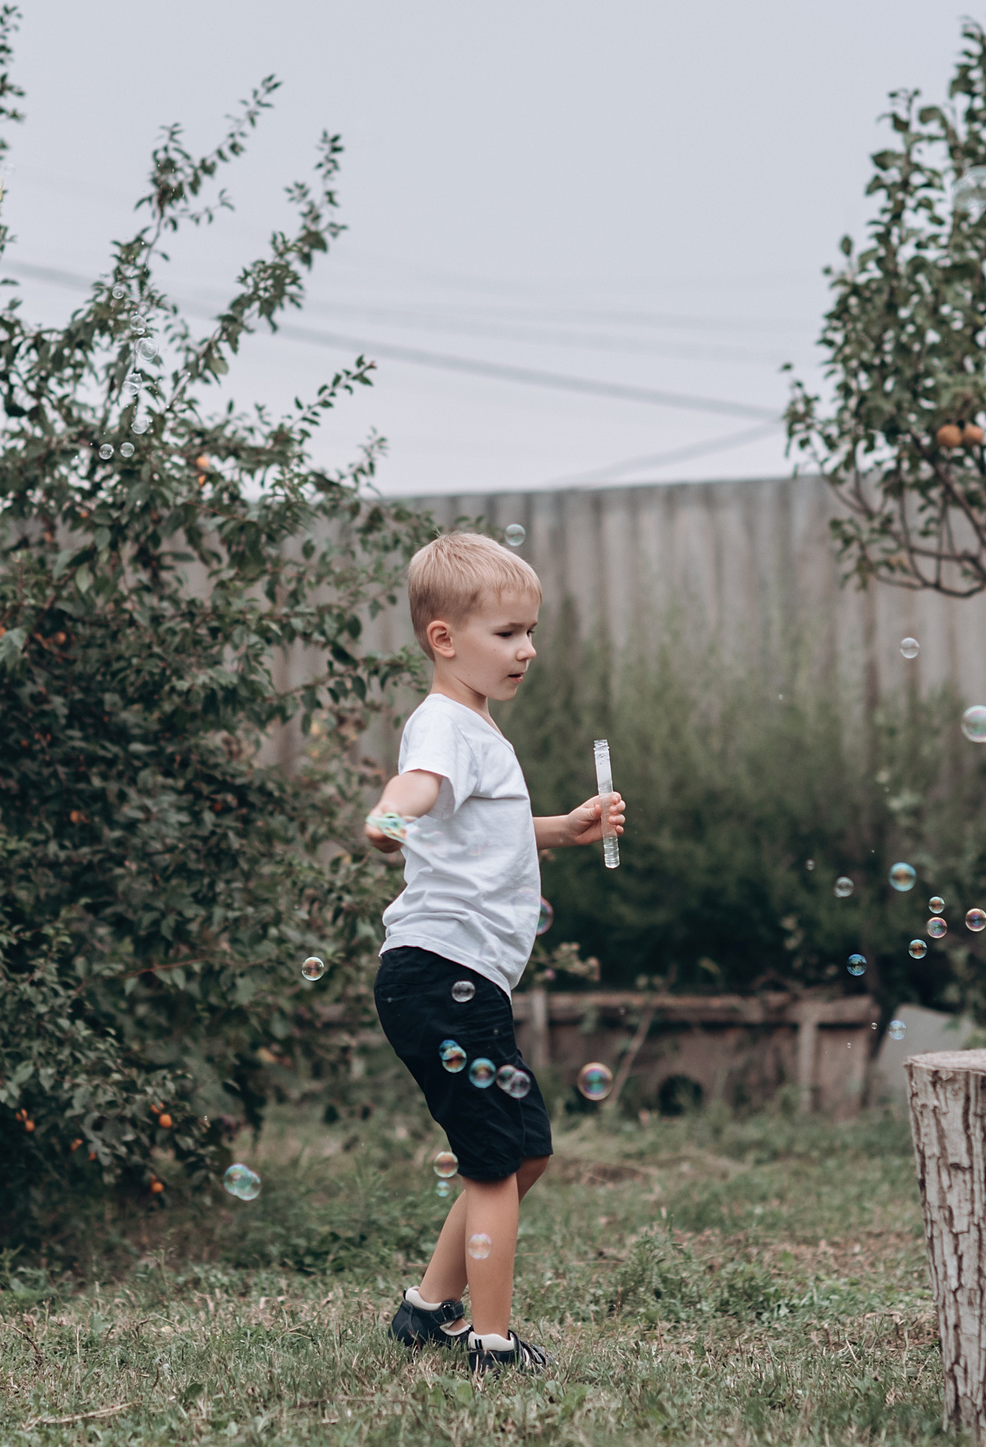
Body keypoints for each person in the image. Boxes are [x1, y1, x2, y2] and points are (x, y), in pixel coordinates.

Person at [362, 531, 624, 1373]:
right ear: (444, 638)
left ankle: (424, 1311)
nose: (527, 649)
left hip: (458, 981)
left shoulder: (475, 726)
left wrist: (564, 829)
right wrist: (390, 813)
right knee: (494, 1162)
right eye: (507, 632)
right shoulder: (442, 724)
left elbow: (485, 830)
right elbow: (418, 787)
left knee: (524, 1151)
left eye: (530, 631)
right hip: (442, 976)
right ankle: (491, 1343)